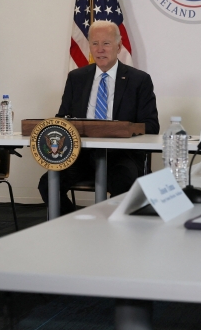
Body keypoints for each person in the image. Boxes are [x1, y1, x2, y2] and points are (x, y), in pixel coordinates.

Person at [38, 21, 159, 213]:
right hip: (81, 156)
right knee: (47, 184)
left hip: (121, 156)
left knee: (124, 182)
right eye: (95, 43)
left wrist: (122, 129)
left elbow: (151, 125)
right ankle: (74, 225)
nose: (100, 50)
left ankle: (118, 234)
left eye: (106, 44)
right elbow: (62, 119)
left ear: (119, 47)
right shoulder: (76, 78)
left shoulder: (139, 80)